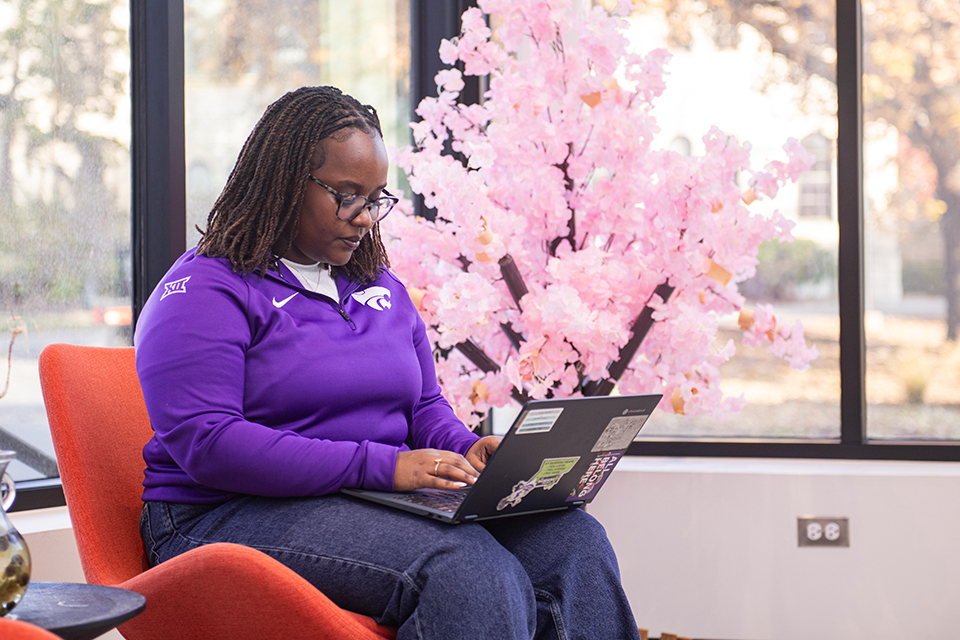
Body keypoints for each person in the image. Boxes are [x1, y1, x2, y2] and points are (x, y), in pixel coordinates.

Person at [135, 85, 641, 640]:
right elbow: (209, 444)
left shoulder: (379, 286)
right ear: (282, 183)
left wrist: (463, 449)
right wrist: (384, 467)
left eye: (376, 198)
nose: (365, 217)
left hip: (363, 496)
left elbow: (422, 405)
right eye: (346, 194)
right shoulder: (206, 288)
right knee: (466, 569)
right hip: (220, 512)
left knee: (574, 543)